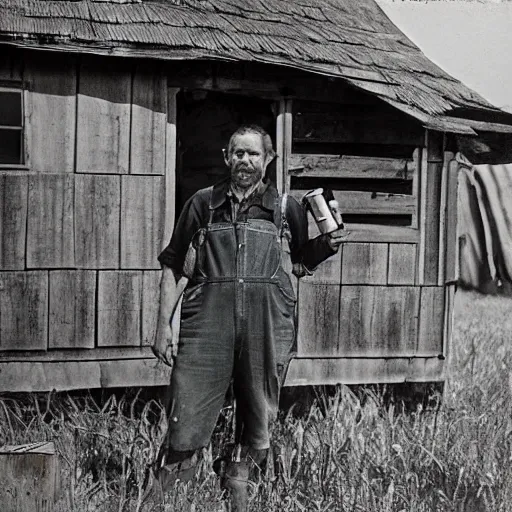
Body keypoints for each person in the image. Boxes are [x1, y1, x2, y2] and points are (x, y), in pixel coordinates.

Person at [150, 124, 343, 510]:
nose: (245, 160)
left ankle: (236, 485)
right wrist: (162, 326)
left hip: (265, 326)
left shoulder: (285, 207)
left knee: (258, 417)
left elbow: (302, 263)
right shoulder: (202, 204)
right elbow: (173, 266)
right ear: (226, 157)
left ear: (267, 160)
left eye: (253, 154)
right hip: (206, 325)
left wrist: (328, 245)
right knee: (186, 409)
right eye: (238, 153)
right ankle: (160, 498)